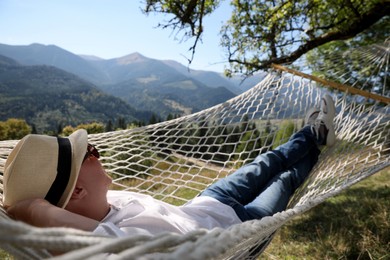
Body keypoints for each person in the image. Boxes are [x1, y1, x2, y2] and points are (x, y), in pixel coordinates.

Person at [3, 95, 336, 237]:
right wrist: (36, 211)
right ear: (76, 190)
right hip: (241, 227)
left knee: (269, 160)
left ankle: (313, 133)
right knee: (286, 179)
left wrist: (39, 206)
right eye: (88, 153)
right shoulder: (111, 245)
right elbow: (96, 242)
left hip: (209, 200)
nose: (98, 151)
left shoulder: (105, 203)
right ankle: (318, 145)